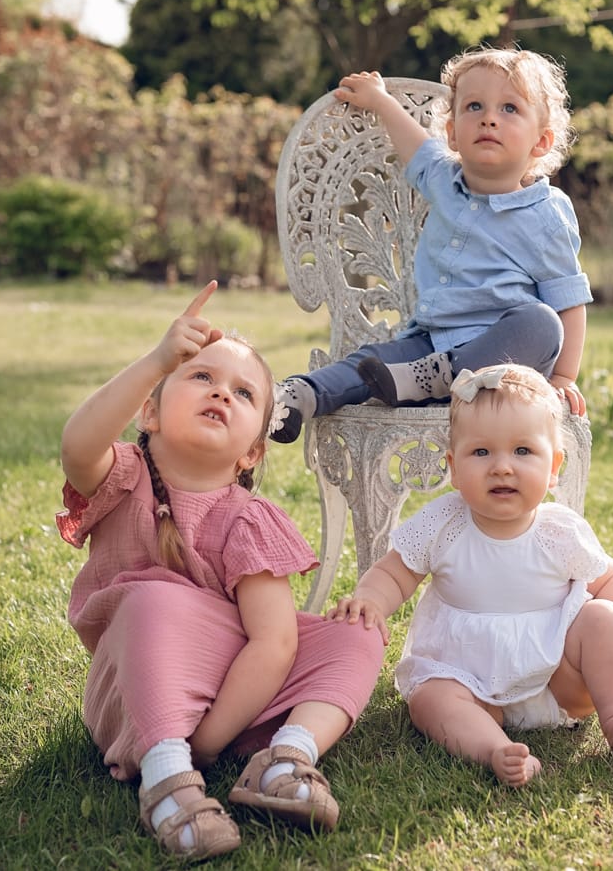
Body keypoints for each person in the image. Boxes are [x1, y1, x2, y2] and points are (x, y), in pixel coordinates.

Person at [57, 282, 385, 860]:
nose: (221, 394)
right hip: (138, 687)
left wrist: (211, 740)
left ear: (252, 452)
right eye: (200, 377)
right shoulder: (124, 477)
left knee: (355, 634)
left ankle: (286, 757)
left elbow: (274, 642)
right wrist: (159, 360)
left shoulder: (248, 520)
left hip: (234, 693)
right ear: (151, 412)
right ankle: (167, 779)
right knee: (153, 598)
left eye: (243, 392)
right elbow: (79, 445)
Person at [327, 364, 613, 787]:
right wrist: (371, 601)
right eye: (482, 452)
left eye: (523, 452)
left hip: (558, 680)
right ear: (454, 466)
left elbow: (610, 580)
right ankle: (494, 749)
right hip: (468, 681)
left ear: (554, 465)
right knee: (430, 699)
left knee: (605, 619)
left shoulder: (558, 530)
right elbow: (395, 574)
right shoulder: (442, 523)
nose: (502, 467)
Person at [270, 46, 591, 444]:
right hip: (426, 346)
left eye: (510, 109)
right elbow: (415, 144)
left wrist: (563, 376)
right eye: (474, 106)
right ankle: (298, 395)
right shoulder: (444, 178)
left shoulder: (545, 214)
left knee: (542, 322)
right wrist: (380, 100)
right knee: (369, 361)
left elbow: (568, 300)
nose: (489, 117)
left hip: (499, 366)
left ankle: (440, 376)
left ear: (541, 142)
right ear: (453, 133)